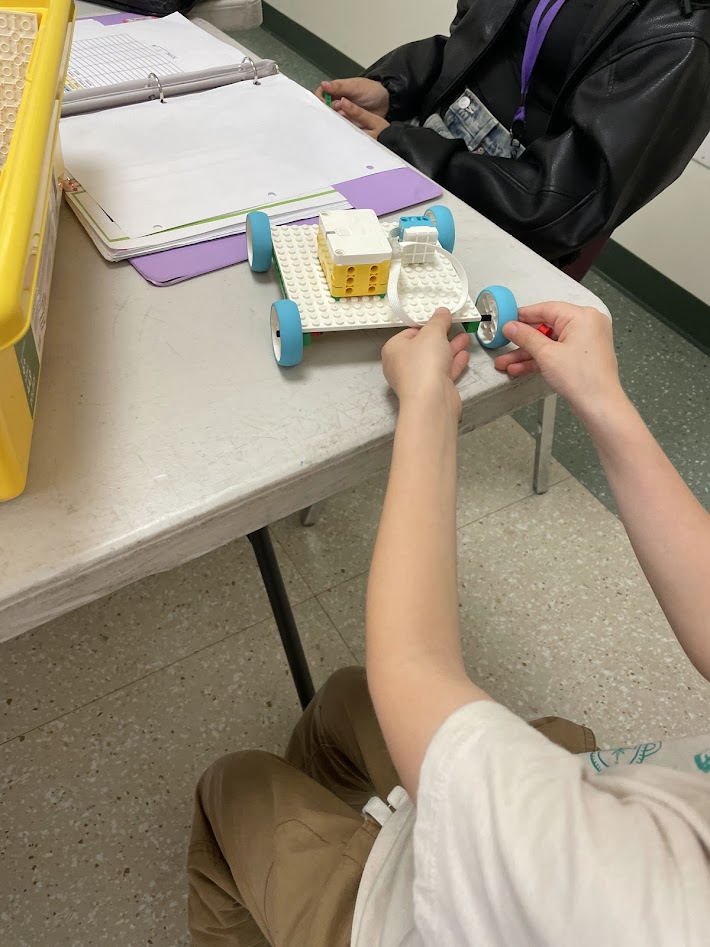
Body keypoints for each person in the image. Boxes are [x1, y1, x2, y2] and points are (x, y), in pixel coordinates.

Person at [187, 304, 710, 946]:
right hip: (575, 817)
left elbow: (416, 669)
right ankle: (342, 829)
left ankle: (321, 886)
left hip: (449, 911)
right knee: (347, 699)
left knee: (234, 787)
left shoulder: (640, 899)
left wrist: (428, 405)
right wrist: (599, 393)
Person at [316, 0, 710, 267]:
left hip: (505, 218)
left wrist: (404, 145)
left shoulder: (681, 33)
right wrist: (395, 87)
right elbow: (471, 46)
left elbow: (557, 208)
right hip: (423, 151)